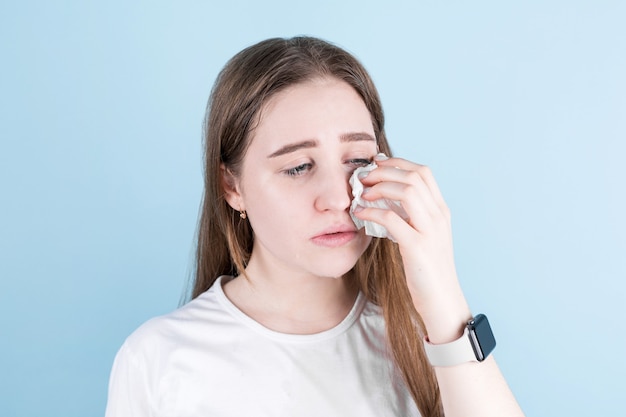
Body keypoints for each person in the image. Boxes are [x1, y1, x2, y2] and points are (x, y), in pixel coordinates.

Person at [105, 36, 524, 417]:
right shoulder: (159, 359)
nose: (339, 198)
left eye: (358, 161)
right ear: (232, 186)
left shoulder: (428, 341)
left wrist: (444, 295)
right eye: (299, 167)